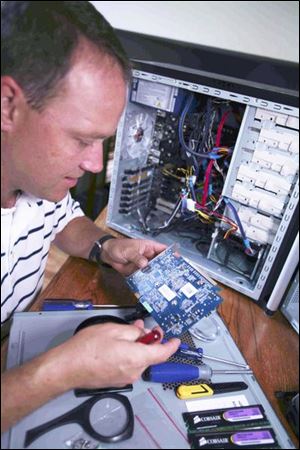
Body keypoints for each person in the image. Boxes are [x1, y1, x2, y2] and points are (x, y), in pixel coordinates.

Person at [1, 1, 180, 432]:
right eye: (83, 138)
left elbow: (61, 220)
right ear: (7, 105)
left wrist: (105, 247)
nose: (95, 164)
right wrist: (65, 369)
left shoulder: (34, 177)